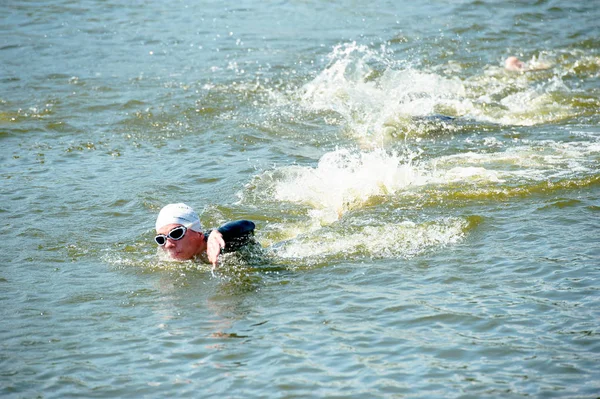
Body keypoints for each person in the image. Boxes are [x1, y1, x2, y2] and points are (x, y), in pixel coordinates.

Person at [154, 203, 256, 266]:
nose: (168, 245)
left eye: (176, 233)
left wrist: (220, 232)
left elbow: (248, 224)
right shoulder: (167, 262)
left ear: (198, 233)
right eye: (161, 239)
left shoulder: (223, 243)